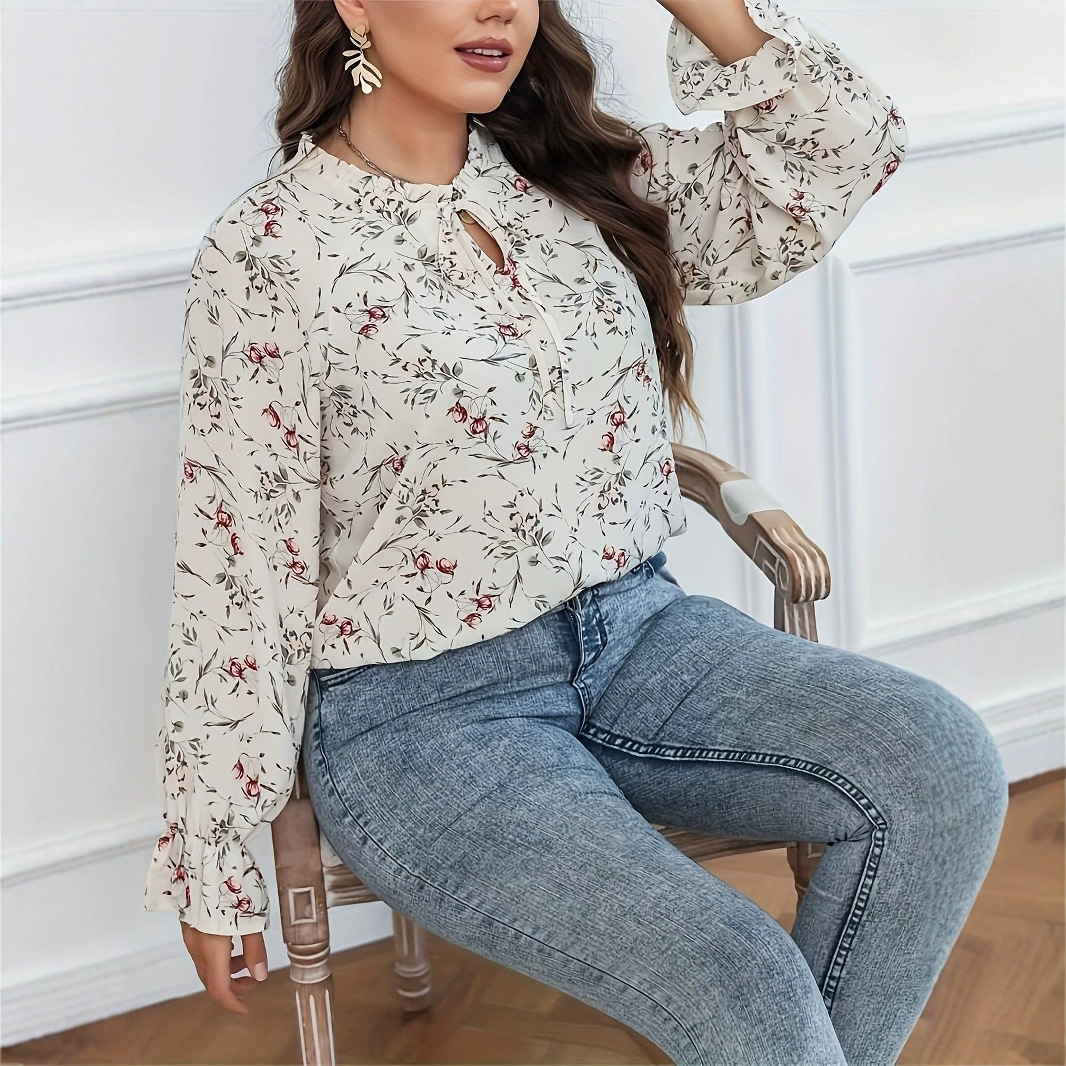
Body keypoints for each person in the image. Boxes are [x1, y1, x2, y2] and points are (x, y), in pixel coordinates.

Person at [144, 0, 1008, 1062]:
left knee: (938, 764)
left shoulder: (579, 177)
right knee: (733, 969)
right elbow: (238, 570)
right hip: (425, 716)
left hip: (642, 637)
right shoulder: (269, 251)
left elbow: (844, 148)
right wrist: (210, 851)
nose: (497, 6)